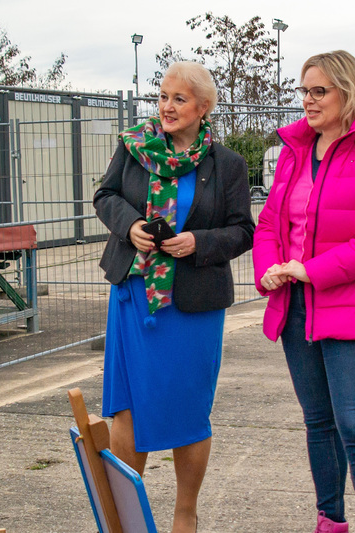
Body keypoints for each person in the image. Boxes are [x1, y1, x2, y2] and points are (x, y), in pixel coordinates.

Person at [253, 50, 355, 533]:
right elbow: (269, 224)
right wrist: (270, 270)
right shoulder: (294, 150)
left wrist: (311, 270)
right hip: (297, 306)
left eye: (318, 91)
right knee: (318, 425)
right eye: (303, 90)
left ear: (348, 91)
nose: (307, 100)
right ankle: (330, 522)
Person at [93, 61, 254, 533]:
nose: (166, 107)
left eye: (178, 99)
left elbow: (243, 230)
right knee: (128, 408)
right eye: (163, 96)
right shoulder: (133, 148)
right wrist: (132, 226)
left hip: (192, 306)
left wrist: (199, 242)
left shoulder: (227, 164)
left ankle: (186, 513)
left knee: (189, 408)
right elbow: (105, 197)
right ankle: (128, 516)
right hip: (134, 295)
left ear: (203, 108)